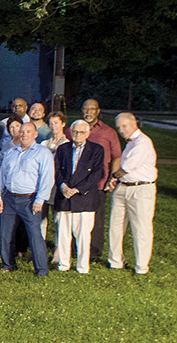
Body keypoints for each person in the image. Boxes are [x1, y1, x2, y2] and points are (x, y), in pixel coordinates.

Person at [0, 120, 55, 276]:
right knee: (6, 233)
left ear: (35, 134)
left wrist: (40, 199)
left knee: (35, 235)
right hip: (9, 198)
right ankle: (8, 264)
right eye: (22, 132)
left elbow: (47, 178)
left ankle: (41, 270)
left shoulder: (42, 152)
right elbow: (2, 176)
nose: (24, 134)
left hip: (29, 199)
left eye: (28, 132)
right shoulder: (11, 152)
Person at [53, 119, 106, 273]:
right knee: (63, 234)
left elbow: (97, 174)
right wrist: (63, 187)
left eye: (82, 132)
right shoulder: (62, 149)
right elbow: (56, 170)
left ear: (88, 133)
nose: (78, 135)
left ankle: (82, 267)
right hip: (64, 197)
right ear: (70, 132)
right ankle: (63, 264)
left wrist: (77, 189)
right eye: (75, 131)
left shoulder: (97, 150)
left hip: (84, 199)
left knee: (83, 235)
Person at [107, 112, 157, 275]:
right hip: (124, 187)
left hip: (141, 189)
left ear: (134, 123)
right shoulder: (130, 143)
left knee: (141, 228)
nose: (121, 130)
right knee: (115, 226)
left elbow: (126, 167)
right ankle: (115, 261)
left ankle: (141, 267)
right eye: (119, 128)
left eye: (124, 126)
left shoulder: (143, 142)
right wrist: (116, 180)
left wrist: (113, 177)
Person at [77, 98, 121, 260]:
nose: (88, 112)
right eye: (85, 109)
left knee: (96, 218)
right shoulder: (75, 129)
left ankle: (94, 252)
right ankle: (77, 248)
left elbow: (117, 156)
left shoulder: (108, 133)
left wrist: (112, 178)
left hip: (98, 182)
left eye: (92, 109)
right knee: (78, 217)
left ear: (98, 111)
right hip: (77, 183)